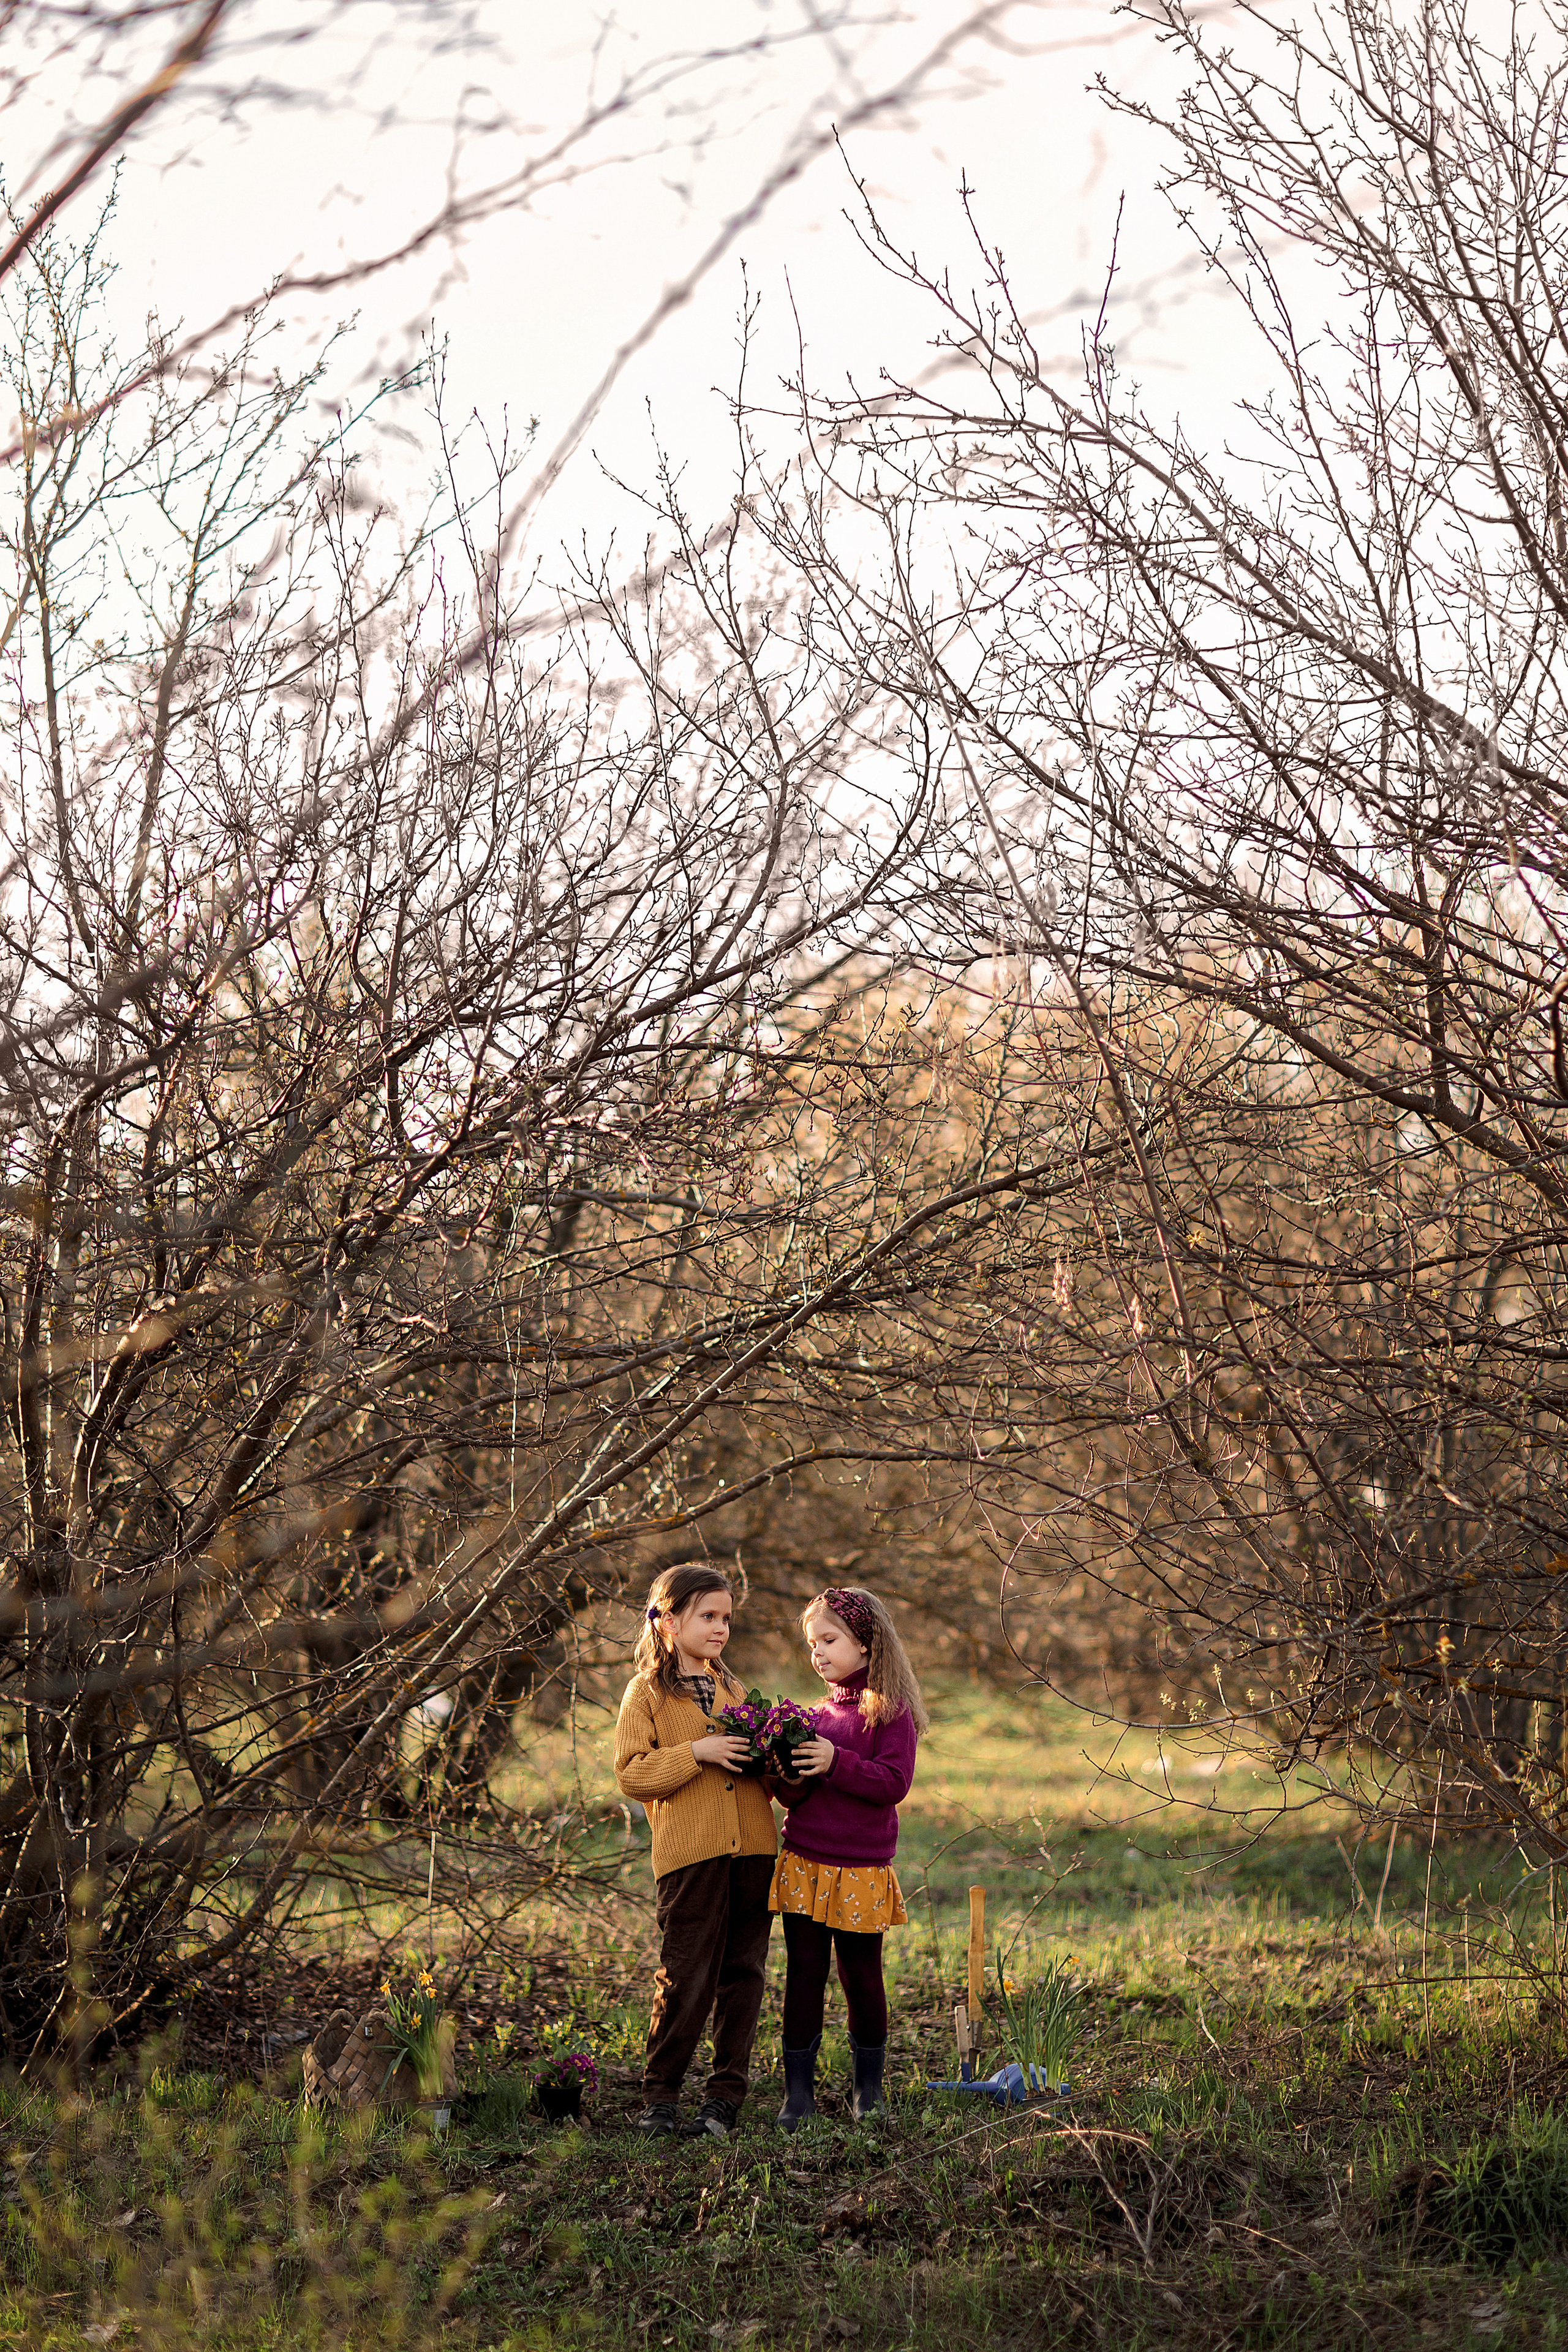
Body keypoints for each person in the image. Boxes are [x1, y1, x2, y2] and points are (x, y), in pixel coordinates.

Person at [613, 1562, 777, 2139]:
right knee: (686, 1976)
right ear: (668, 1622)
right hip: (692, 1857)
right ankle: (660, 2097)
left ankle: (724, 2098)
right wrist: (698, 1752)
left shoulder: (736, 1690)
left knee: (744, 1973)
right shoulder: (648, 1693)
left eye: (726, 1618)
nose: (720, 1628)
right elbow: (632, 1774)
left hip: (754, 1850)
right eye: (708, 1616)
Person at [769, 1584, 928, 2129]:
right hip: (806, 1864)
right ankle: (798, 2095)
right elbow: (794, 1796)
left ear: (866, 1643)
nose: (819, 1654)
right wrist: (787, 1774)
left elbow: (893, 1783)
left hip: (861, 1868)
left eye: (829, 1640)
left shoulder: (890, 1713)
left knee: (862, 1976)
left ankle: (868, 2090)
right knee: (804, 1976)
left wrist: (836, 1761)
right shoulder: (811, 1716)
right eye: (812, 1644)